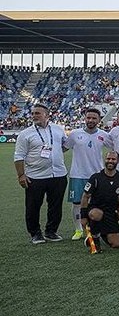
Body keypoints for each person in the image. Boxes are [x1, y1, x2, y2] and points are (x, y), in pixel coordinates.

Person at [14, 103, 69, 244]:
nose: (34, 116)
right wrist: (21, 175)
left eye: (37, 113)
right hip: (35, 176)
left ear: (47, 115)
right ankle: (35, 233)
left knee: (55, 206)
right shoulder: (25, 134)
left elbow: (64, 146)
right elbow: (19, 156)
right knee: (33, 206)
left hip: (58, 175)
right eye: (33, 113)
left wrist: (54, 155)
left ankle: (51, 232)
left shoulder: (58, 129)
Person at [64, 108, 113, 241]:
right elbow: (63, 148)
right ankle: (78, 230)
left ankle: (98, 228)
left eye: (94, 118)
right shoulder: (74, 134)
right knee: (76, 203)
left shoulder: (104, 135)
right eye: (88, 118)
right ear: (85, 119)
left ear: (98, 120)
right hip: (78, 174)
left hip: (97, 175)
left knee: (98, 203)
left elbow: (115, 148)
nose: (90, 120)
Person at [80, 151, 119, 251]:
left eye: (113, 159)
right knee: (97, 214)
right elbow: (85, 197)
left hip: (110, 212)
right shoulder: (95, 178)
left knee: (116, 243)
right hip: (95, 209)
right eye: (108, 159)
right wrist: (83, 216)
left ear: (118, 161)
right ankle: (94, 238)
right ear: (105, 160)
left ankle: (103, 233)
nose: (110, 161)